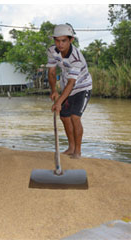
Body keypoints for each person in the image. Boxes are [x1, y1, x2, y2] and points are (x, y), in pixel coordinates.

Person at [46, 24, 92, 159]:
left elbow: (73, 83)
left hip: (82, 87)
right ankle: (71, 148)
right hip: (66, 86)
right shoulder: (52, 51)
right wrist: (54, 91)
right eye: (57, 40)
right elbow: (52, 72)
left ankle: (77, 151)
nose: (60, 44)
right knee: (64, 117)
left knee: (75, 117)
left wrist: (59, 102)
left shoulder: (76, 58)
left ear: (71, 40)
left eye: (64, 41)